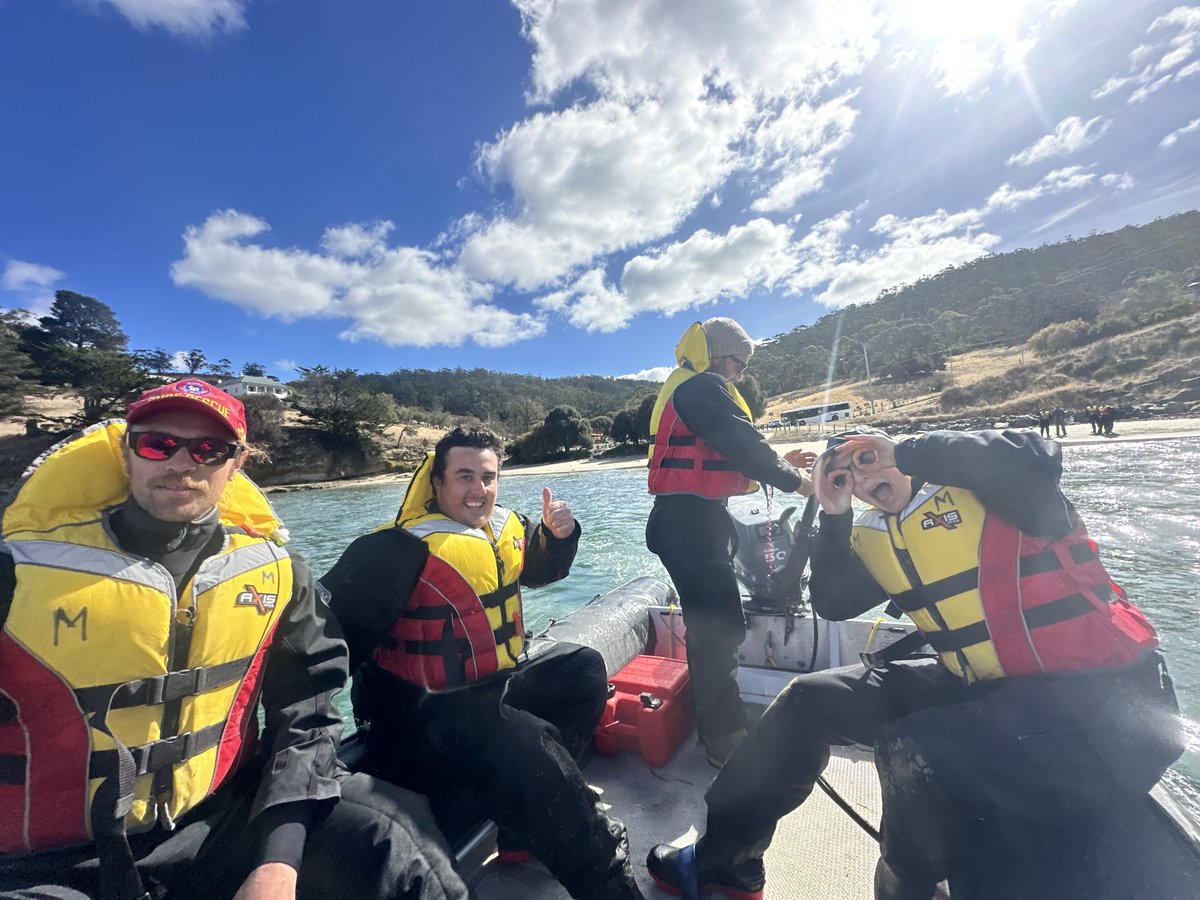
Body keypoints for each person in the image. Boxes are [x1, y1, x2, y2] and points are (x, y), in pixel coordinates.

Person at [646, 427, 1182, 900]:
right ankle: (724, 867)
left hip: (1105, 711)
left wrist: (903, 450)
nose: (861, 475)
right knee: (808, 700)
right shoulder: (881, 535)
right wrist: (835, 518)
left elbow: (1037, 454)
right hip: (985, 690)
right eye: (846, 474)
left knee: (918, 750)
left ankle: (910, 890)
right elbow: (832, 603)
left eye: (866, 458)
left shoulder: (1004, 490)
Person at [0, 379, 467, 900]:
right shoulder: (15, 573)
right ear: (128, 453)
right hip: (50, 862)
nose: (182, 462)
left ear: (237, 462)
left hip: (220, 820)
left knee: (399, 836)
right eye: (158, 444)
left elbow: (307, 717)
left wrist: (277, 863)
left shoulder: (278, 574)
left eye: (208, 450)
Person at [319, 425, 643, 900]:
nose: (479, 490)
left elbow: (541, 569)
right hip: (420, 720)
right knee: (533, 746)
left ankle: (521, 835)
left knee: (582, 670)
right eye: (465, 477)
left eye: (488, 478)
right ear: (437, 482)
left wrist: (560, 538)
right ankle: (609, 883)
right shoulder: (390, 550)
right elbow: (323, 647)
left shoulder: (503, 530)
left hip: (490, 692)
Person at [645, 318, 813, 767]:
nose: (739, 375)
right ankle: (723, 738)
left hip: (694, 522)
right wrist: (801, 482)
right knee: (717, 630)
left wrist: (781, 461)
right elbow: (741, 442)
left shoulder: (693, 389)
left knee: (717, 625)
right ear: (718, 356)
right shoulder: (701, 387)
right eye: (739, 364)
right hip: (688, 525)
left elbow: (733, 449)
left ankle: (721, 723)